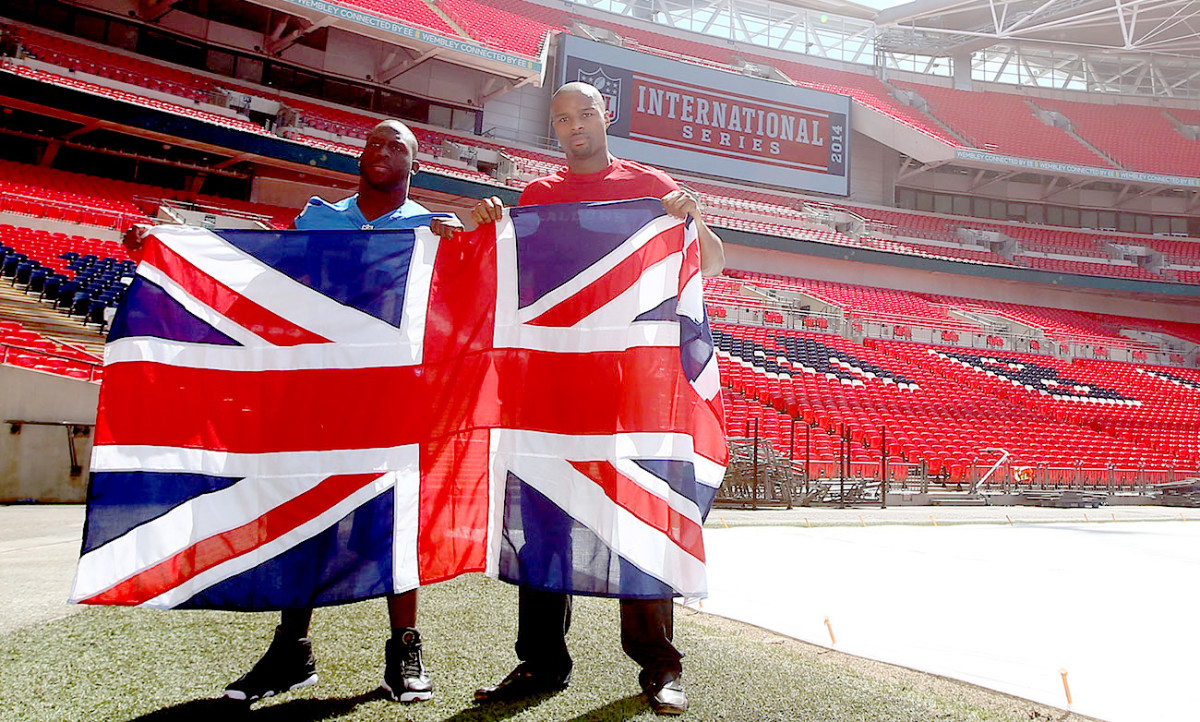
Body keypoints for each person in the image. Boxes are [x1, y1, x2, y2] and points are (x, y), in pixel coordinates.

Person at [124, 119, 461, 704]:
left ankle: (404, 648)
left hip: (395, 397)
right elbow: (264, 282)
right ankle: (291, 650)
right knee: (303, 515)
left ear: (415, 166)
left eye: (397, 146)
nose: (382, 150)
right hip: (319, 393)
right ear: (360, 156)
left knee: (393, 519)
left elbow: (464, 308)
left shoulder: (432, 230)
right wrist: (168, 246)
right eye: (374, 141)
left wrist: (465, 245)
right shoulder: (318, 219)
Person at [468, 81, 725, 716]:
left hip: (628, 391)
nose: (575, 125)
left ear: (606, 116)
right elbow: (508, 279)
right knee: (545, 524)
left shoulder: (648, 184)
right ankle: (541, 661)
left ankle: (660, 664)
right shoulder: (539, 196)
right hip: (549, 388)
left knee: (641, 515)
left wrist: (692, 219)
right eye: (562, 118)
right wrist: (484, 229)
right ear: (553, 127)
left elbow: (710, 265)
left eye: (585, 113)